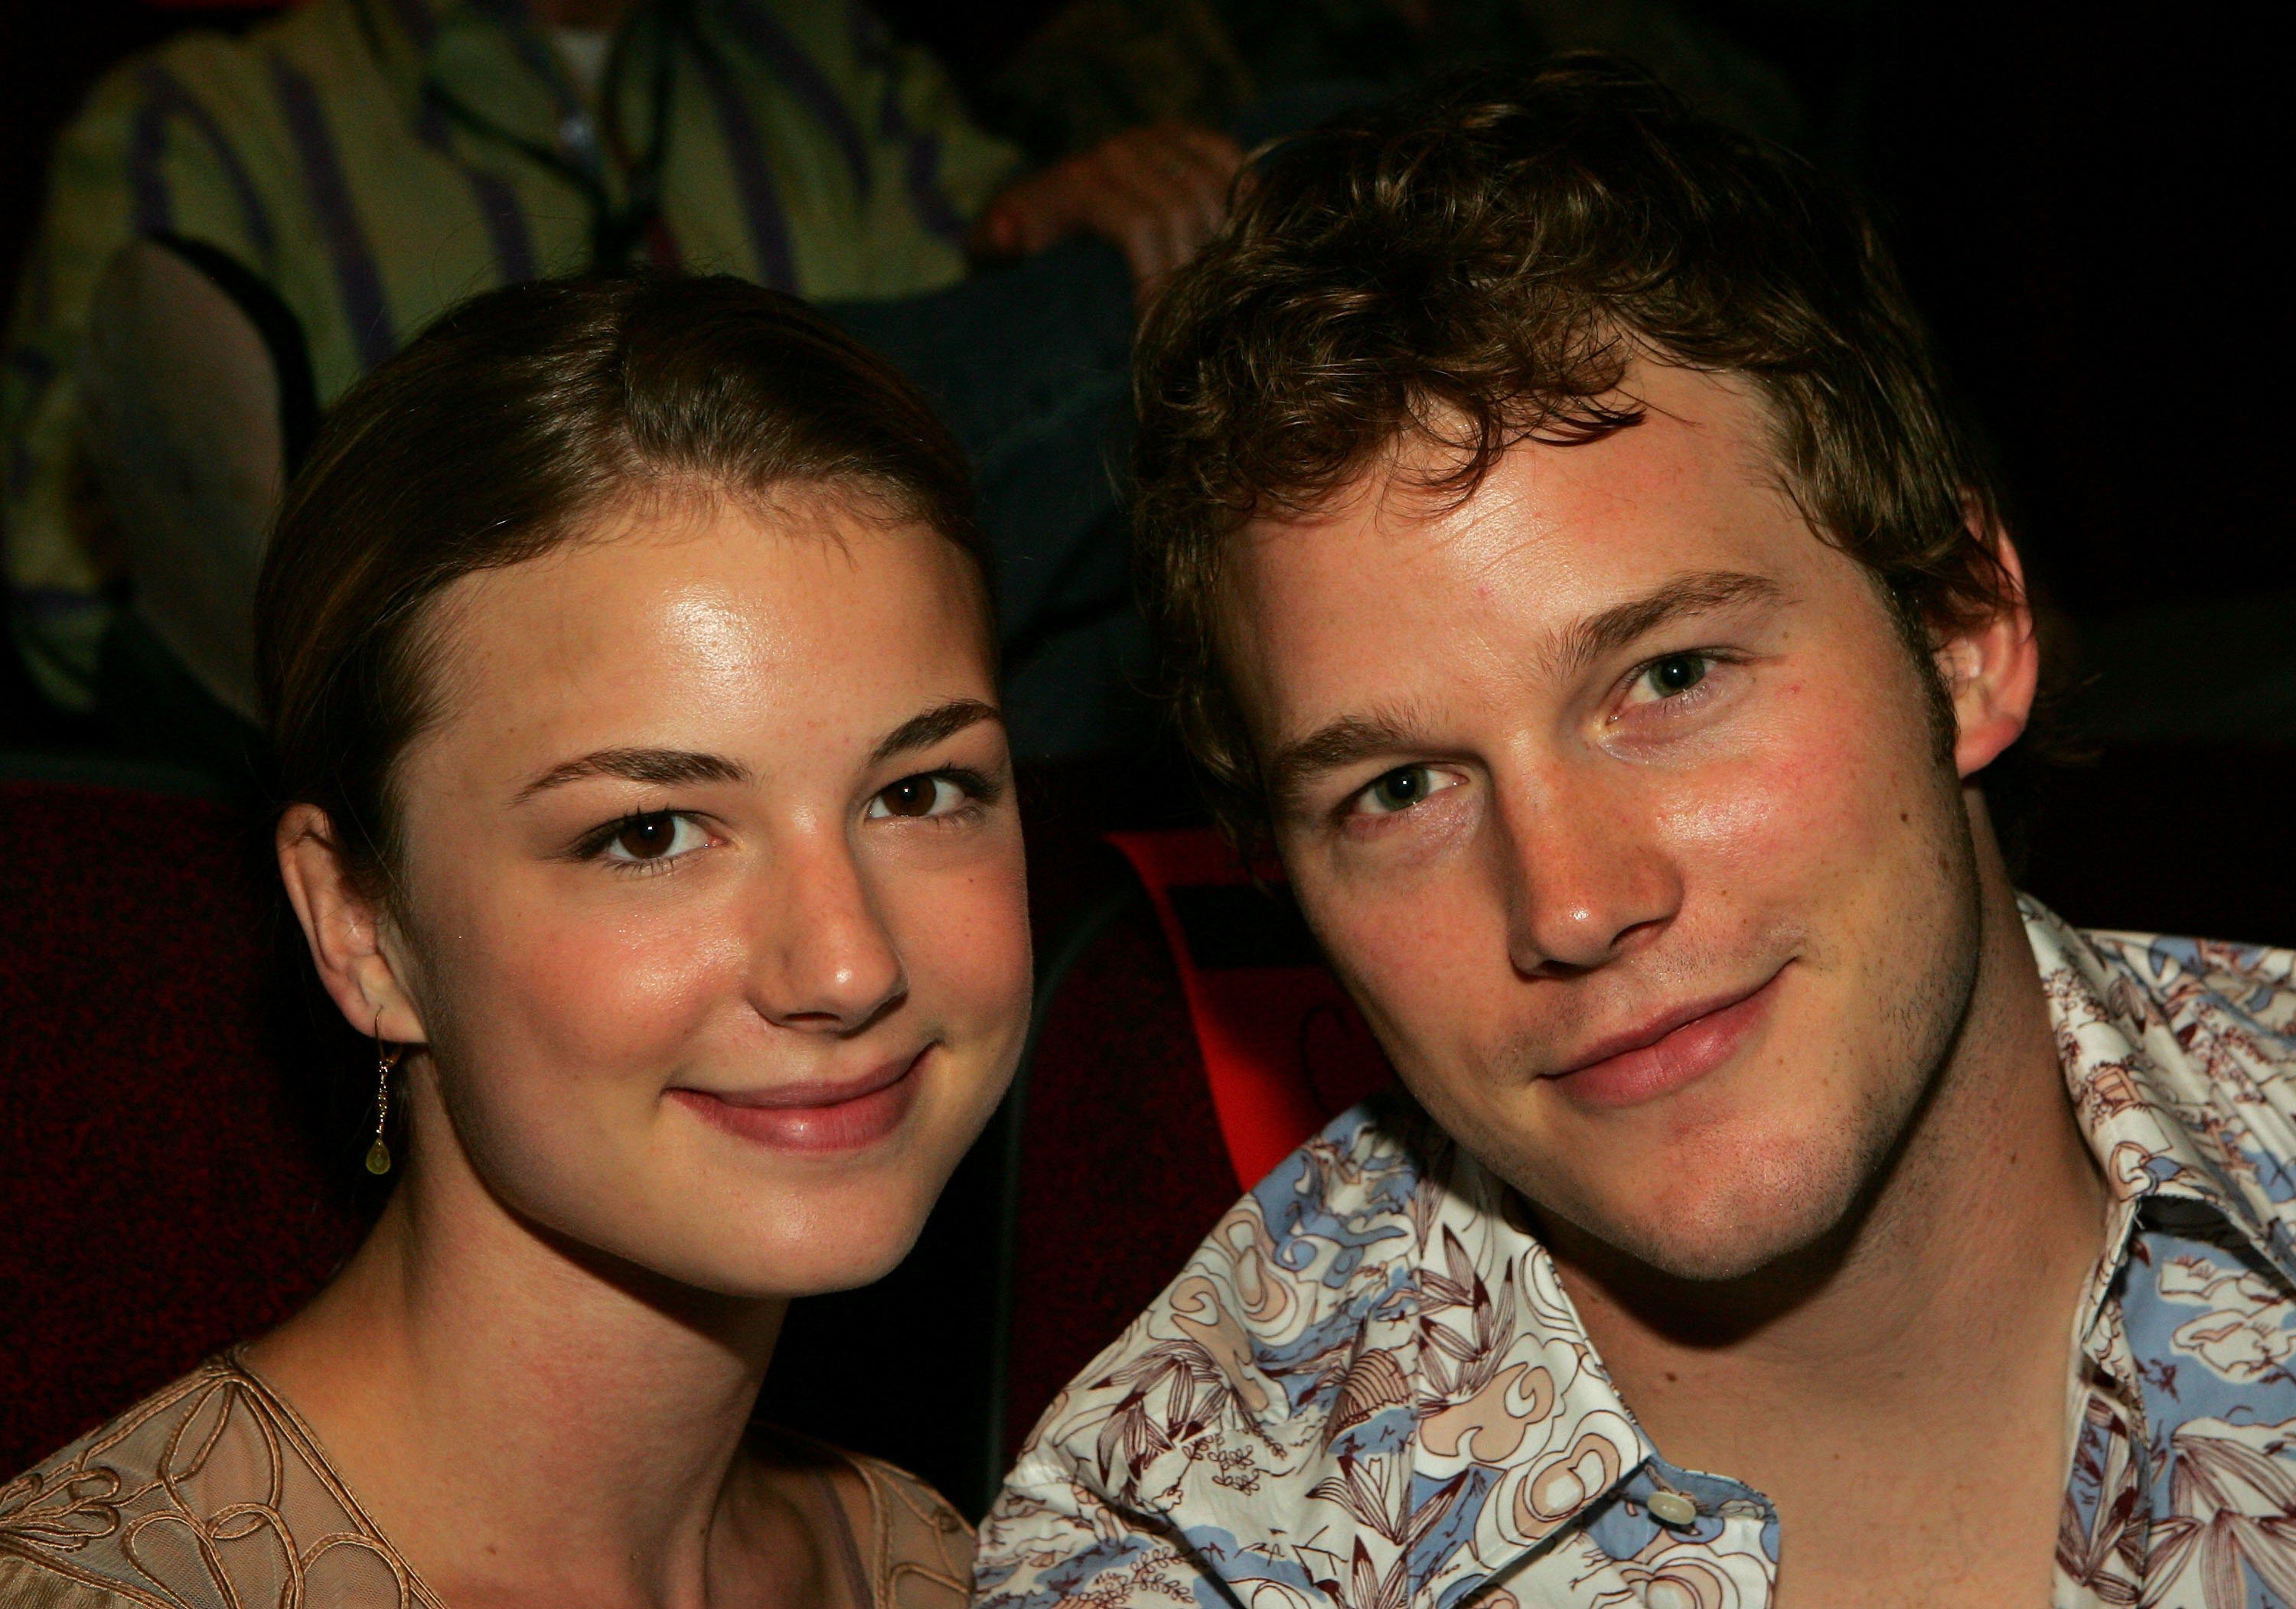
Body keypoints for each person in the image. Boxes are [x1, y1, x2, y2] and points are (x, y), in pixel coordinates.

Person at [974, 63, 2296, 1607]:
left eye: (1669, 678)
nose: (1572, 903)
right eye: (1399, 788)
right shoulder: (1186, 1557)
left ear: (1965, 633)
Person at [0, 272, 1032, 1607]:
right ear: (359, 926)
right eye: (650, 833)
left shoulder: (953, 1564)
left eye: (919, 792)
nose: (849, 965)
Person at [2, 0, 1240, 754]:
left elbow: (1013, 330)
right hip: (469, 709)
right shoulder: (205, 116)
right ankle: (368, 611)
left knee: (1285, 189)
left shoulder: (830, 63)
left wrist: (1067, 217)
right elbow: (58, 589)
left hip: (913, 653)